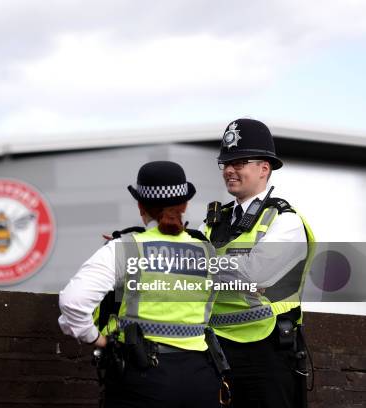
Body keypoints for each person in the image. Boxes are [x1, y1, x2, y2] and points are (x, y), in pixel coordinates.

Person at [59, 161, 221, 408]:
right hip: (200, 379)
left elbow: (73, 302)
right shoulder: (208, 252)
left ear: (140, 206)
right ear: (185, 205)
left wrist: (96, 339)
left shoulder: (126, 248)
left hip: (142, 377)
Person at [200, 118, 316, 408]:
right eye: (225, 163)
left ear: (264, 168)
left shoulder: (285, 221)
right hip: (215, 348)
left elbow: (254, 276)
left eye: (239, 162)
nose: (229, 170)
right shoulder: (213, 222)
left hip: (267, 354)